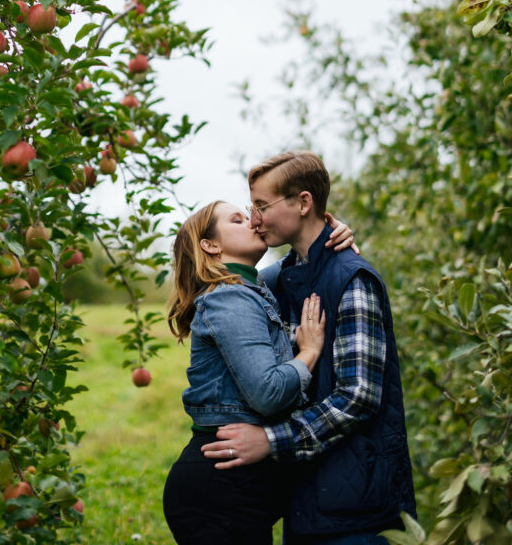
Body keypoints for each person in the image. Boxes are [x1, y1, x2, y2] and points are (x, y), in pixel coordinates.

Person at [201, 151, 416, 545]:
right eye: (251, 209)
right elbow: (225, 279)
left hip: (358, 511)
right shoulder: (283, 279)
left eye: (262, 206)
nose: (255, 219)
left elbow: (358, 397)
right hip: (306, 497)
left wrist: (269, 441)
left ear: (303, 203)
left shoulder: (353, 281)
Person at [163, 198, 355, 545]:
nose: (252, 221)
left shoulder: (252, 286)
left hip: (235, 484)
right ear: (211, 245)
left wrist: (330, 233)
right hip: (220, 488)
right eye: (237, 219)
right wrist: (309, 352)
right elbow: (266, 393)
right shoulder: (230, 297)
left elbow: (299, 260)